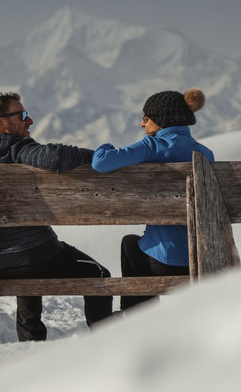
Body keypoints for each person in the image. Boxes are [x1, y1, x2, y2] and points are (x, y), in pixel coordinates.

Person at [0, 92, 112, 341]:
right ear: (1, 123)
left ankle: (31, 341)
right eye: (22, 115)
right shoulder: (17, 148)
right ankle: (106, 342)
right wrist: (98, 156)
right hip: (37, 255)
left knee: (25, 259)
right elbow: (55, 157)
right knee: (99, 274)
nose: (30, 120)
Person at [91, 88, 213, 312]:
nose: (142, 124)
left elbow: (101, 163)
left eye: (145, 118)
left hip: (164, 261)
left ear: (160, 120)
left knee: (130, 243)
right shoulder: (205, 153)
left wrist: (106, 146)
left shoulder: (153, 146)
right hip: (202, 258)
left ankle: (137, 315)